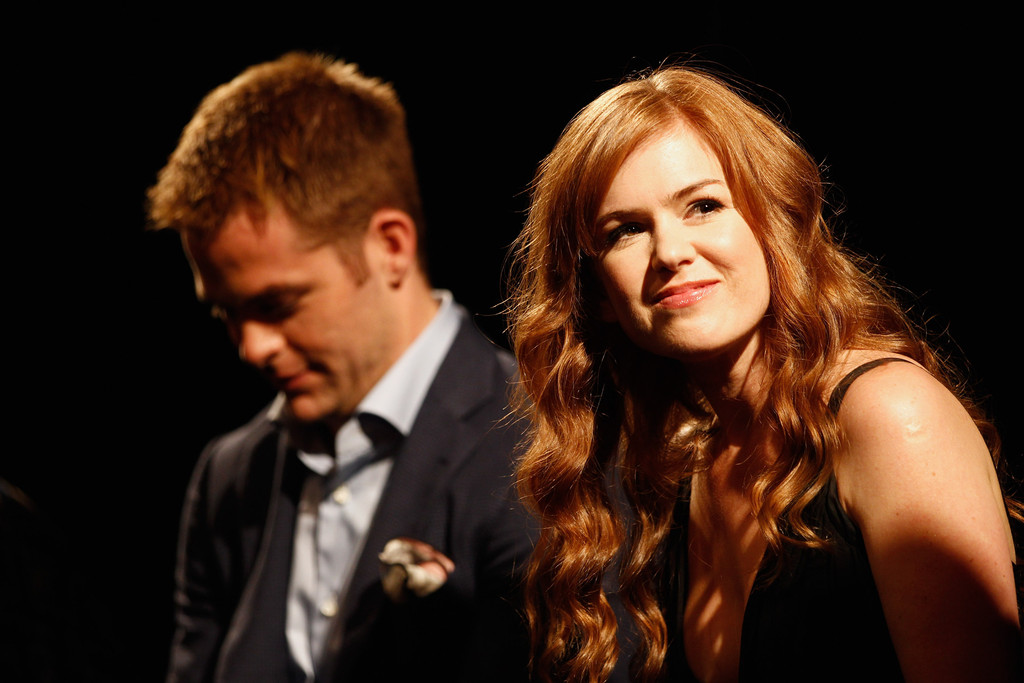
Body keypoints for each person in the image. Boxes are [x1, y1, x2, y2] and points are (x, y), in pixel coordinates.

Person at [507, 66, 1022, 682]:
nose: (670, 252)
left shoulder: (891, 416)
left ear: (772, 220)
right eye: (626, 231)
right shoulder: (691, 465)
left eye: (703, 206)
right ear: (596, 294)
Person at [148, 52, 534, 683]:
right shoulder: (228, 479)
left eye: (277, 304)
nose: (252, 347)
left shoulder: (544, 448)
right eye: (227, 314)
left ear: (390, 246)